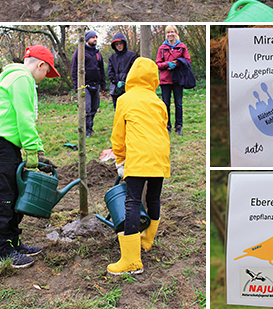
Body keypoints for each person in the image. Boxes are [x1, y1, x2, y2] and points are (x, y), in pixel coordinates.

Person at [0, 45, 59, 268]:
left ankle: (13, 243)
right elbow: (25, 118)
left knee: (14, 196)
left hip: (6, 146)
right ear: (40, 65)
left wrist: (32, 149)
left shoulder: (19, 78)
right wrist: (35, 151)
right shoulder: (22, 79)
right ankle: (2, 251)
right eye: (47, 72)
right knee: (4, 197)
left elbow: (20, 119)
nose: (45, 78)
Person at [108, 57, 170, 275]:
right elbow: (164, 128)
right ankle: (147, 240)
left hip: (138, 156)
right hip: (159, 157)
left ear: (132, 75)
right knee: (153, 197)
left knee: (132, 201)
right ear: (154, 79)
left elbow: (118, 135)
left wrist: (120, 160)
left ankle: (132, 261)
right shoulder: (159, 102)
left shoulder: (125, 99)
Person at [156, 25, 192, 136]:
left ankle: (179, 126)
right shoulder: (162, 48)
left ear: (176, 33)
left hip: (178, 79)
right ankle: (167, 126)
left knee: (179, 104)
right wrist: (167, 64)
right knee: (165, 104)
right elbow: (157, 64)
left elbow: (188, 61)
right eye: (168, 32)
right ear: (166, 34)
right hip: (165, 80)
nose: (170, 34)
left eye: (172, 32)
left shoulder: (182, 47)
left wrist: (177, 63)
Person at [71, 30, 106, 137]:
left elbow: (102, 71)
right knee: (87, 108)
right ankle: (85, 130)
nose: (95, 39)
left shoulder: (98, 53)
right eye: (92, 37)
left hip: (96, 84)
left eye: (96, 37)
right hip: (84, 84)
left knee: (95, 107)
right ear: (87, 39)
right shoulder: (80, 51)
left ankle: (90, 128)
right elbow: (74, 69)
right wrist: (76, 85)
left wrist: (103, 86)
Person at [108, 32, 138, 109]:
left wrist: (126, 81)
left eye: (120, 43)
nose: (119, 46)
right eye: (117, 44)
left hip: (129, 86)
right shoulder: (112, 58)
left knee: (129, 109)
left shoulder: (132, 56)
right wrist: (117, 82)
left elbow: (135, 70)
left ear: (124, 43)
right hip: (116, 88)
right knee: (118, 109)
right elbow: (110, 73)